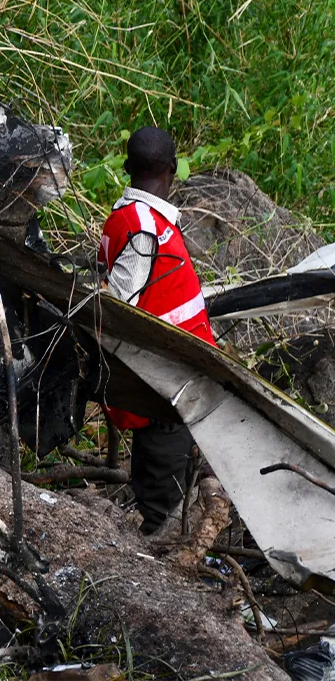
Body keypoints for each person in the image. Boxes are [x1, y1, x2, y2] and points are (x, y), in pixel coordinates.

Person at [96, 126, 218, 534]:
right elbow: (120, 310)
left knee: (168, 483)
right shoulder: (144, 228)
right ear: (173, 169)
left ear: (128, 167)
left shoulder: (136, 219)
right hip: (166, 386)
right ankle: (155, 562)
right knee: (161, 506)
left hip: (173, 382)